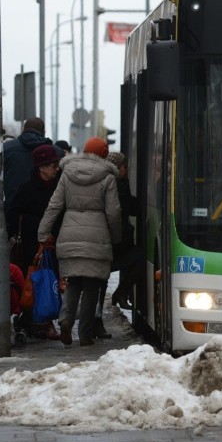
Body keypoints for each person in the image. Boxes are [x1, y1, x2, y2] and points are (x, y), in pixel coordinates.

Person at [38, 136, 122, 347]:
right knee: (92, 286)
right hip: (97, 236)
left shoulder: (67, 173)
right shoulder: (108, 177)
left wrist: (43, 232)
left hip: (69, 234)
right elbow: (113, 213)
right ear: (104, 154)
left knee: (74, 281)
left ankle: (66, 319)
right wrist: (116, 237)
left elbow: (54, 205)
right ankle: (84, 334)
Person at [5, 144, 63, 340]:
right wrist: (38, 227)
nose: (56, 168)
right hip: (32, 245)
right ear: (41, 166)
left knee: (51, 283)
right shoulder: (27, 189)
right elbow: (13, 217)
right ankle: (31, 321)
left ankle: (44, 322)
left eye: (57, 164)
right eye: (52, 164)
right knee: (34, 283)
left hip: (54, 244)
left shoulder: (59, 187)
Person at [98, 151, 144, 324]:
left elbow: (129, 208)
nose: (127, 171)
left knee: (138, 258)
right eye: (125, 167)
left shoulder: (123, 184)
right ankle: (96, 320)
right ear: (117, 169)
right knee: (101, 280)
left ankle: (121, 293)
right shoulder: (105, 185)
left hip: (120, 242)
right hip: (106, 241)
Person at [0, 117, 53, 210]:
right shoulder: (53, 152)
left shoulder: (5, 149)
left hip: (11, 211)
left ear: (23, 130)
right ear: (44, 132)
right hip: (44, 212)